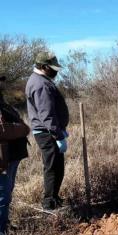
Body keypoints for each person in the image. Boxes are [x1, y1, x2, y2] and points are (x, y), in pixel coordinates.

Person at [25, 52, 69, 210]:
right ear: (43, 67)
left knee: (57, 166)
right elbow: (46, 114)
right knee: (52, 168)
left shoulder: (41, 80)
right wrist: (58, 135)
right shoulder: (40, 84)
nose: (56, 71)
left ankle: (54, 199)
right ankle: (49, 205)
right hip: (47, 133)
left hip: (49, 131)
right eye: (53, 68)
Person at [0, 75, 29, 235]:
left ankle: (4, 225)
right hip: (3, 159)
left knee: (7, 192)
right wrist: (23, 128)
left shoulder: (3, 102)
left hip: (10, 157)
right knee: (2, 195)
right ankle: (1, 233)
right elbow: (3, 130)